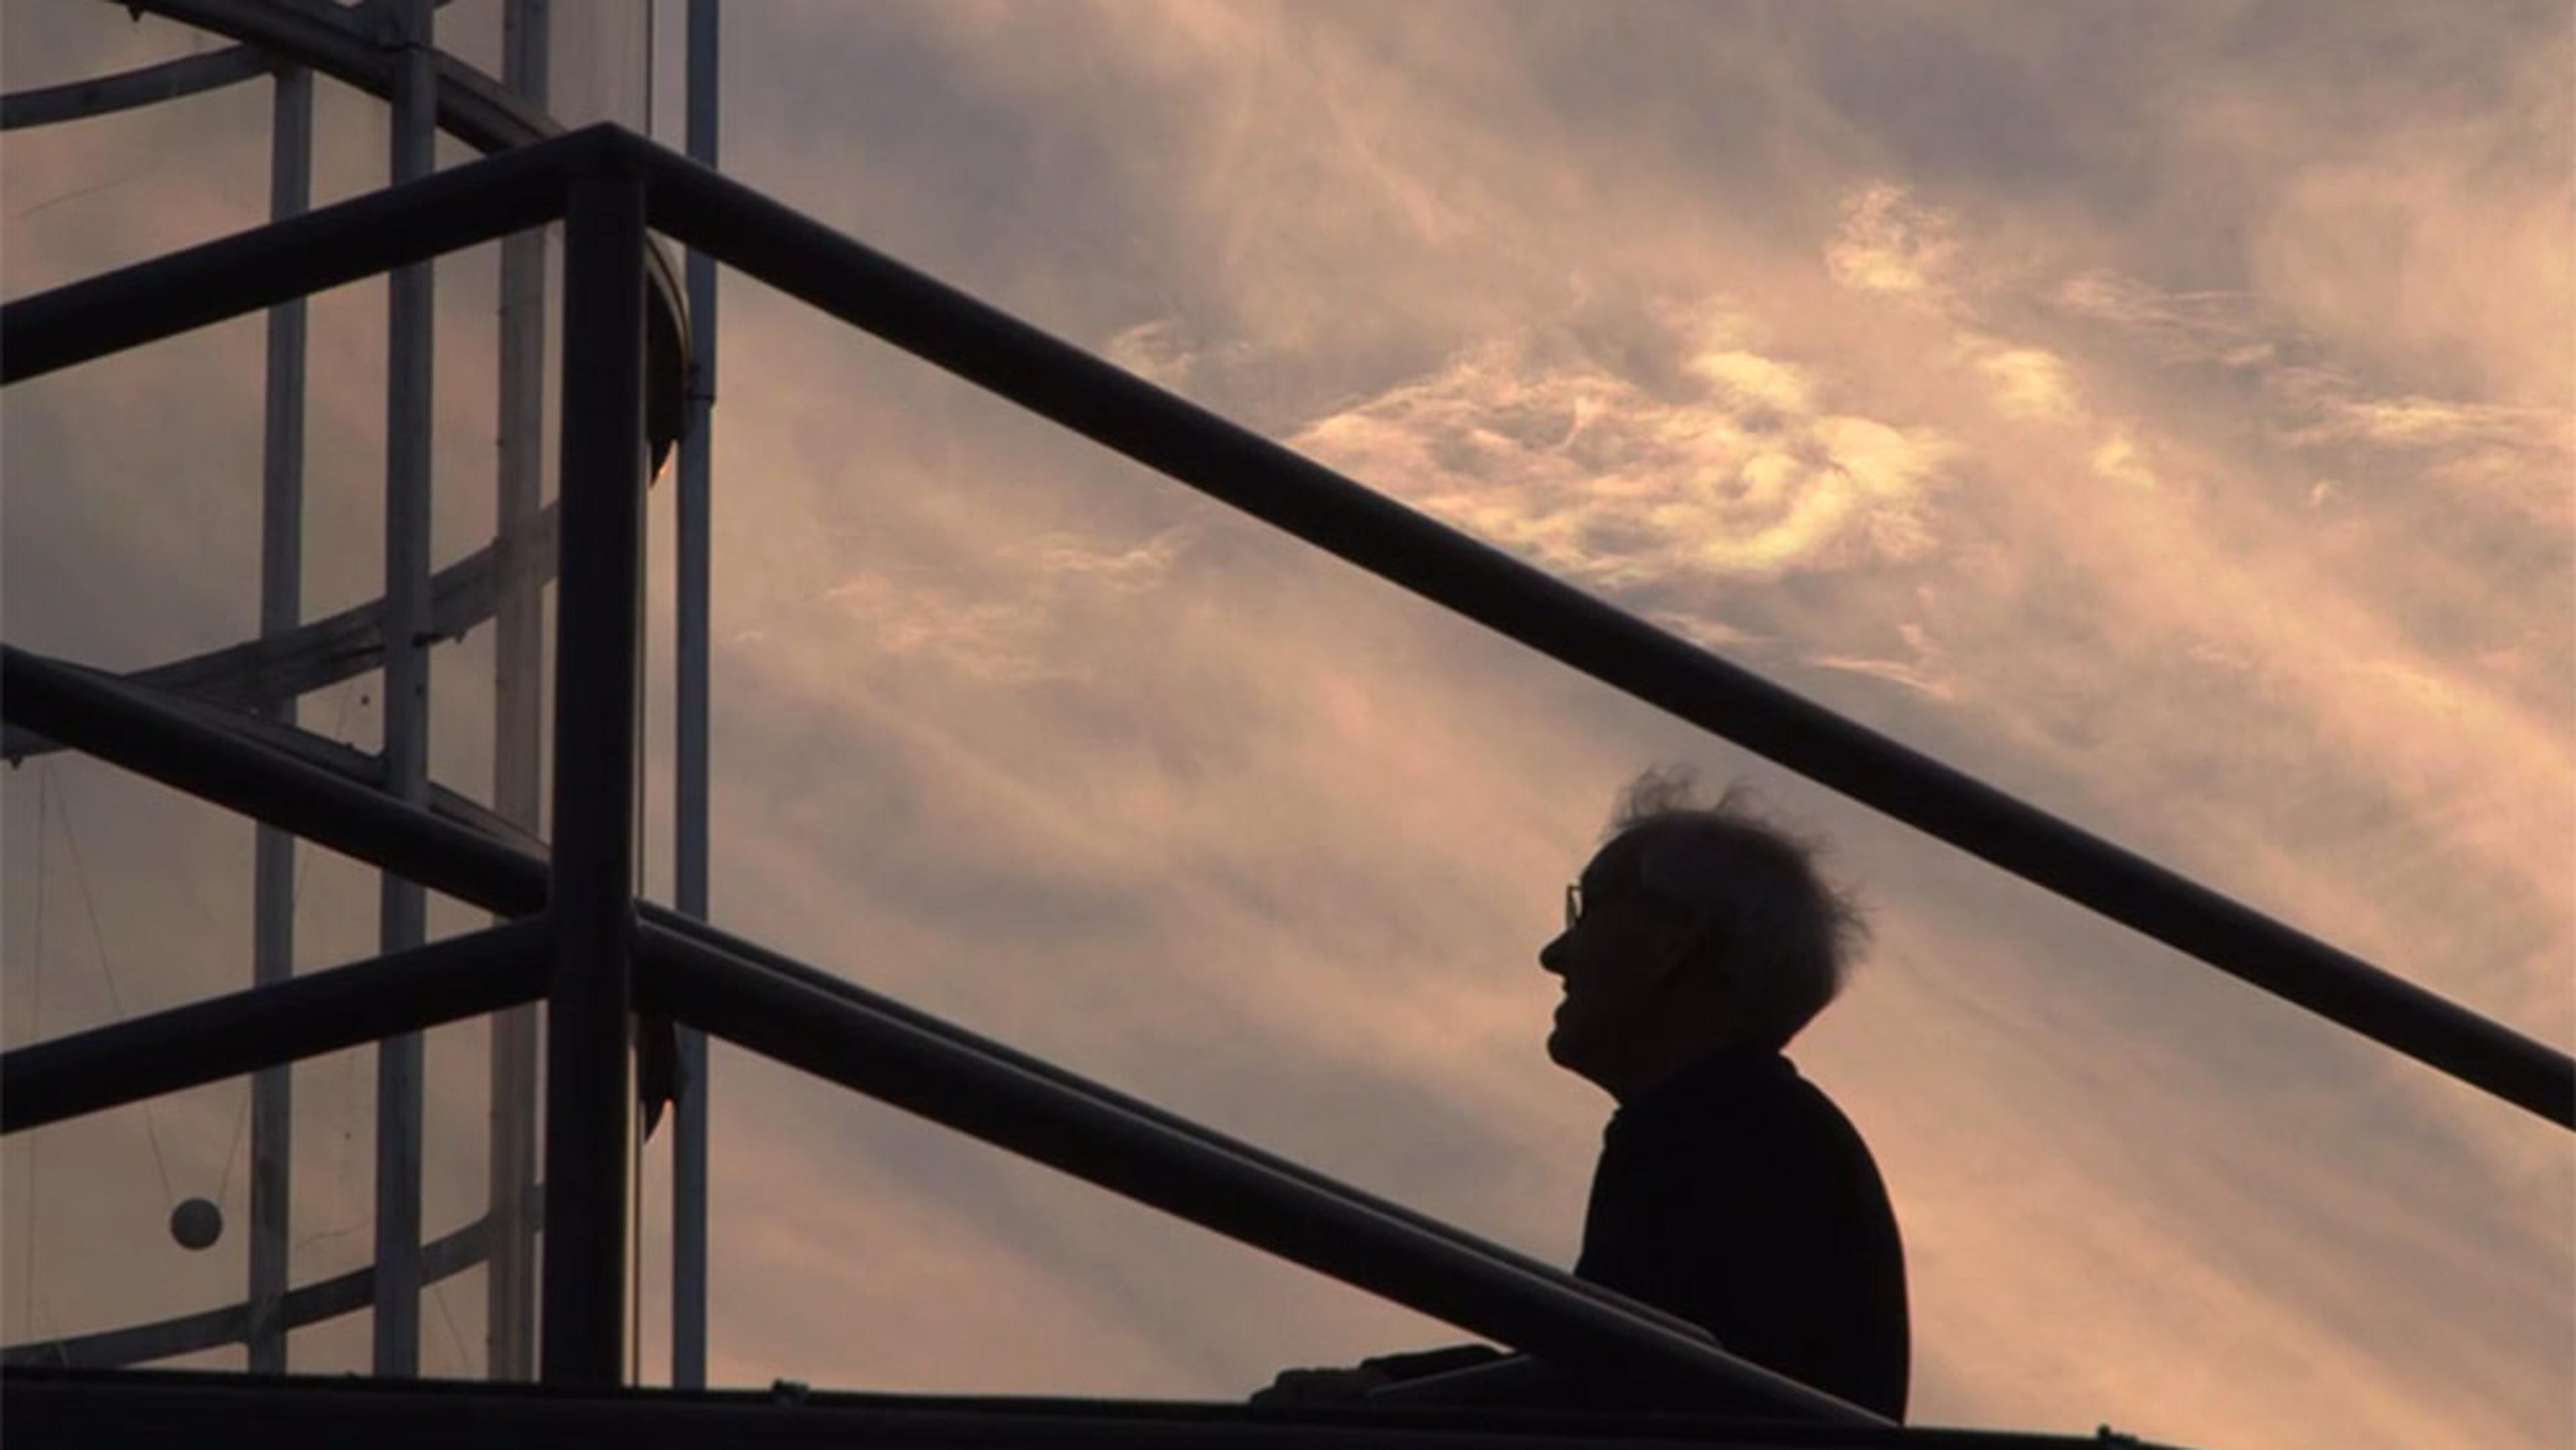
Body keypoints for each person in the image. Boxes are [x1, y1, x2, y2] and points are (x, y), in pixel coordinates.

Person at [1255, 769, 1909, 1419]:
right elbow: (1605, 1366)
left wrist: (1378, 1398)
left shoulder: (1734, 1137)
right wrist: (1382, 1386)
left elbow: (1617, 1386)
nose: (1556, 953)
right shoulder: (1732, 1123)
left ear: (1673, 939)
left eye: (1588, 910)